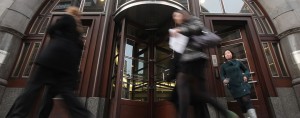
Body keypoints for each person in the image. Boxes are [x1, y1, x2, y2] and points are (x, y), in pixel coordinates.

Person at [6, 6, 93, 118]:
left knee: (33, 87)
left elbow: (51, 30)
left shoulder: (67, 18)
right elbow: (78, 51)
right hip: (67, 66)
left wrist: (57, 36)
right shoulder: (78, 33)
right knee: (63, 94)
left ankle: (17, 116)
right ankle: (83, 115)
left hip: (51, 59)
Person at [167, 10, 238, 118]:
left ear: (183, 14)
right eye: (174, 17)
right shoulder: (182, 27)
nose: (175, 18)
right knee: (199, 93)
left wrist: (180, 30)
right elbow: (178, 51)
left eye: (177, 15)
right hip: (189, 62)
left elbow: (197, 27)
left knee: (183, 90)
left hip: (194, 61)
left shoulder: (193, 20)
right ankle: (225, 112)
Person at [220, 50, 257, 118]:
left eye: (229, 52)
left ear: (232, 54)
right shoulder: (223, 66)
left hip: (242, 84)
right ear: (224, 56)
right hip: (233, 87)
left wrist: (246, 75)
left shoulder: (238, 62)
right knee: (241, 104)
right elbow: (222, 75)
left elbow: (246, 70)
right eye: (226, 53)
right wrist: (224, 80)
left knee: (246, 100)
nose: (227, 54)